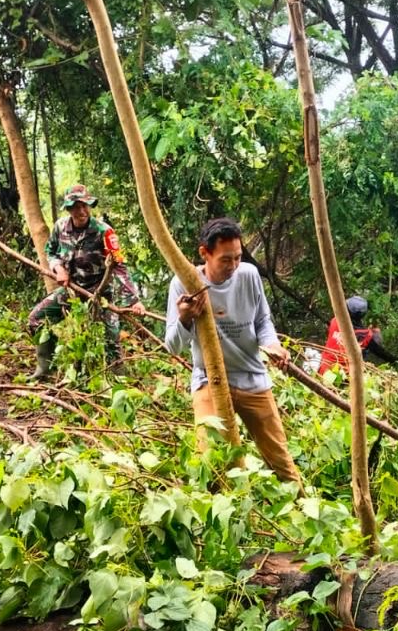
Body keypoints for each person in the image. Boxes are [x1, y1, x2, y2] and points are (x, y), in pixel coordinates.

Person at [164, 218, 300, 485]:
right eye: (226, 260)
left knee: (281, 462)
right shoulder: (183, 283)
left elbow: (263, 321)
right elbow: (173, 346)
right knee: (212, 464)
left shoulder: (248, 275)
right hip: (208, 380)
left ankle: (301, 510)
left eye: (238, 257)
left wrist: (273, 346)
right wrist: (185, 318)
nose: (234, 266)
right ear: (205, 253)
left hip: (251, 377)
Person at [26, 184, 144, 378]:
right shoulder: (60, 227)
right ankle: (45, 368)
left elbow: (119, 266)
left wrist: (133, 300)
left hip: (99, 293)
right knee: (36, 319)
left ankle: (121, 382)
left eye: (85, 206)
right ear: (69, 208)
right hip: (71, 291)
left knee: (111, 342)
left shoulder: (104, 231)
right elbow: (50, 251)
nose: (81, 211)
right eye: (76, 206)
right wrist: (58, 268)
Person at [318, 295, 381, 375]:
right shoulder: (366, 336)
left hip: (323, 370)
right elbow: (378, 349)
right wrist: (377, 332)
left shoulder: (334, 321)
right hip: (345, 376)